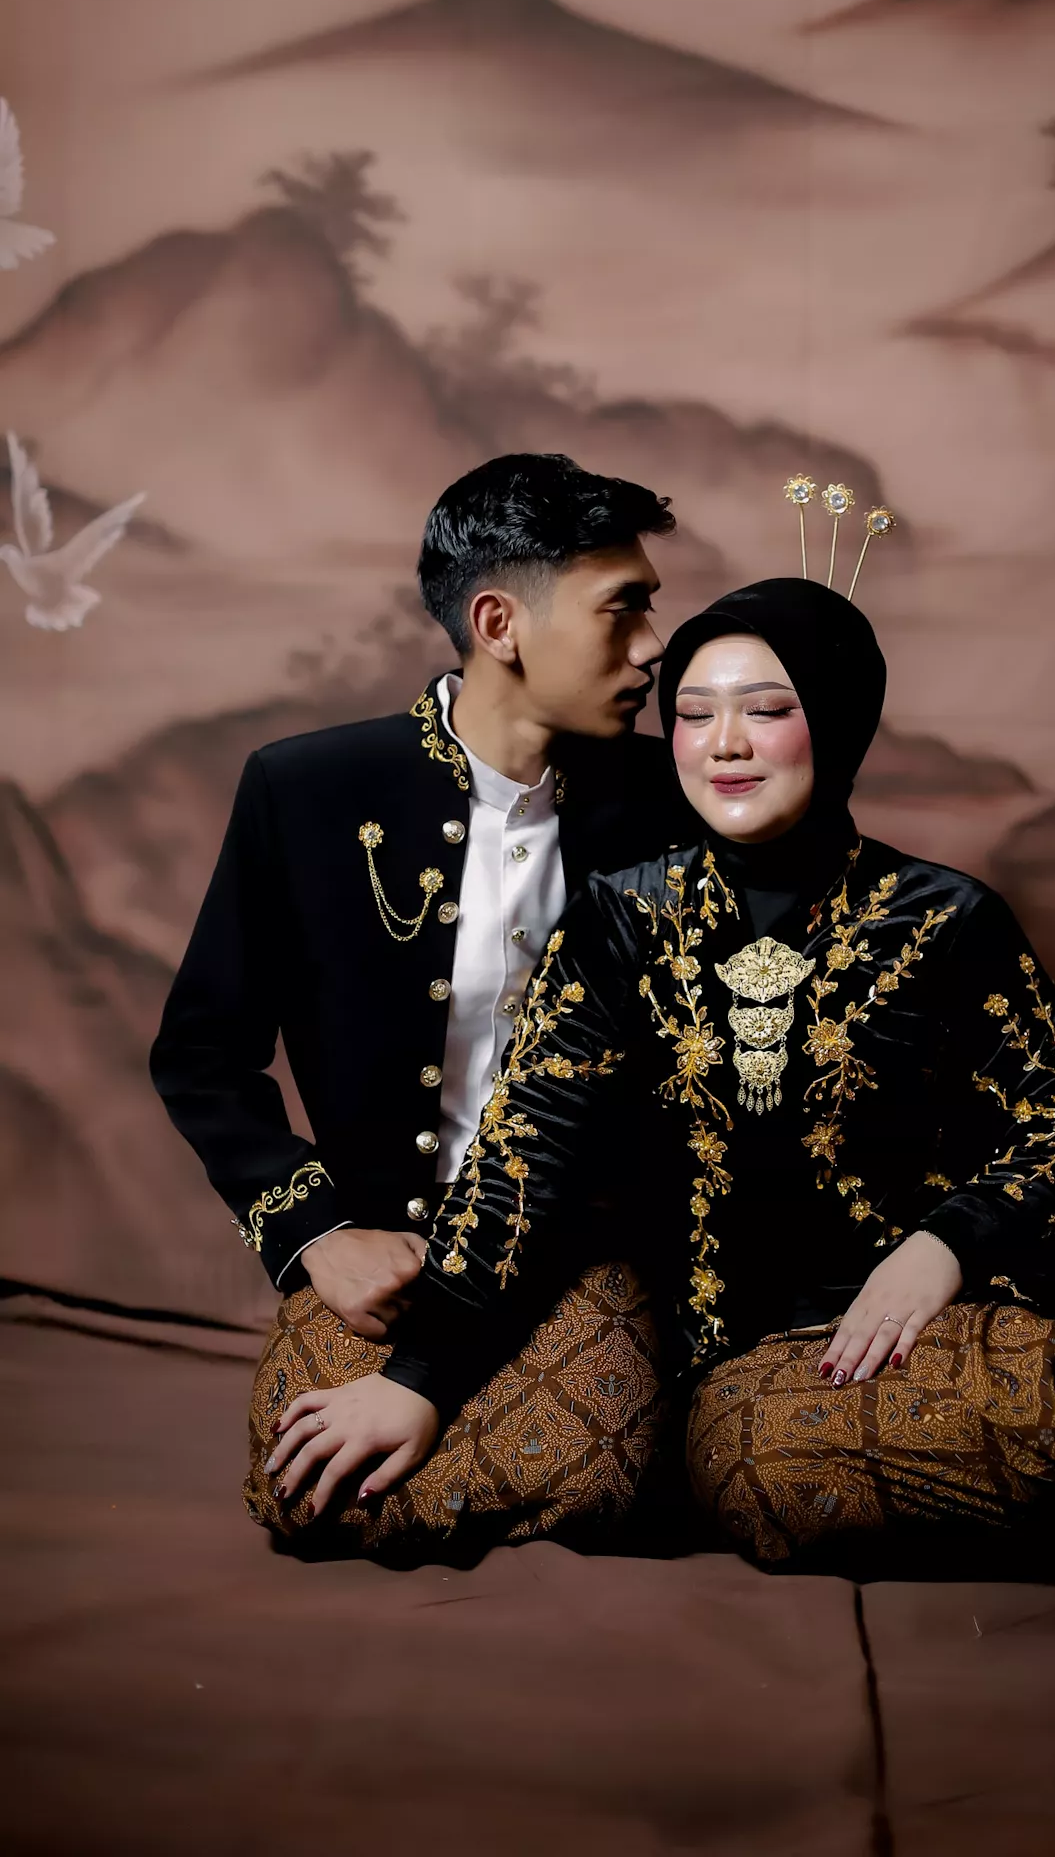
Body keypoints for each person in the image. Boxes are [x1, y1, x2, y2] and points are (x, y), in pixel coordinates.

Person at [264, 571, 1055, 1581]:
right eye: (694, 713)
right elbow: (526, 1150)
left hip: (923, 1321)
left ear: (836, 723)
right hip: (706, 1353)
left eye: (765, 709)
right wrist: (415, 1381)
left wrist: (941, 1248)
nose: (725, 744)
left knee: (832, 1460)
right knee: (755, 1474)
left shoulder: (943, 918)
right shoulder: (622, 918)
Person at [151, 452, 680, 1557]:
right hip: (387, 1250)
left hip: (584, 1248)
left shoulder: (667, 804)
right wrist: (316, 1233)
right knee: (309, 1483)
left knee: (591, 1478)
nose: (651, 645)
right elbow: (202, 1054)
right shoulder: (307, 789)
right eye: (622, 609)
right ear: (499, 623)